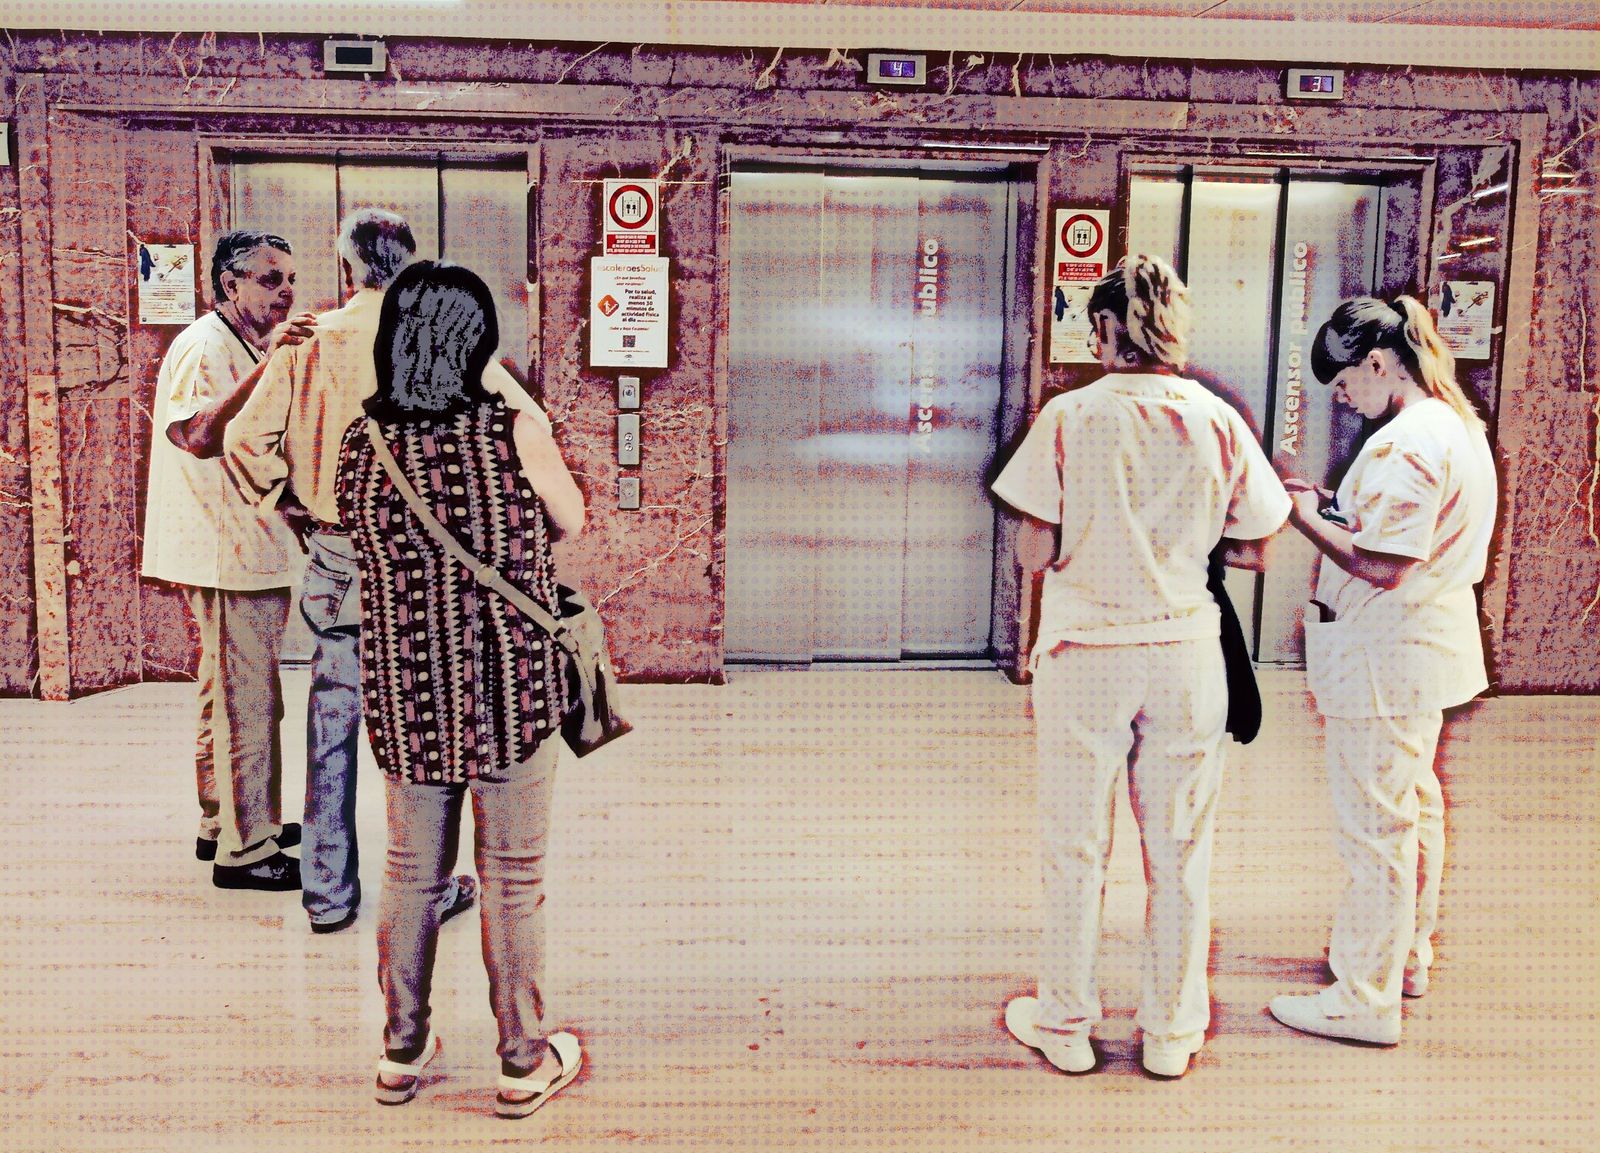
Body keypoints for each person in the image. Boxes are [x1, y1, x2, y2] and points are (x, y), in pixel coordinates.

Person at [991, 254, 1291, 1078]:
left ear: (1107, 328)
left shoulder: (1070, 416)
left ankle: (1065, 1025)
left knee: (1076, 848)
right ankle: (1168, 1033)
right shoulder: (1218, 417)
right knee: (1182, 850)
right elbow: (1257, 546)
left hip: (1087, 653)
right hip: (1186, 656)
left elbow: (1035, 548)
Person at [224, 208, 549, 933]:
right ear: (408, 263)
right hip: (430, 565)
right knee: (431, 728)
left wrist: (289, 503)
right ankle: (427, 888)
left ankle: (328, 895)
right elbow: (531, 425)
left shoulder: (306, 342)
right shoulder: (440, 336)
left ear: (346, 269)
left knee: (331, 723)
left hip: (338, 554)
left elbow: (245, 442)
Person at [336, 261, 586, 1117]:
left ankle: (401, 1051)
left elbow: (354, 538)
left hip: (408, 685)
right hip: (507, 683)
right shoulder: (510, 430)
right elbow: (572, 520)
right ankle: (522, 1059)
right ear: (478, 340)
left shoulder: (361, 442)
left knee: (412, 873)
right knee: (513, 877)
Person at [1268, 296, 1497, 1045]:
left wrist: (1300, 516)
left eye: (1345, 386)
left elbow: (1383, 564)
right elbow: (1387, 532)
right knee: (1410, 810)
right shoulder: (1451, 426)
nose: (1344, 401)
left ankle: (1365, 998)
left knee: (1375, 831)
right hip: (1412, 654)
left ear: (1377, 363)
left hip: (1386, 658)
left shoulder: (1409, 445)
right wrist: (1331, 504)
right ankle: (1403, 958)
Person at [141, 230, 310, 890]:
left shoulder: (242, 343)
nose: (285, 290)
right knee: (248, 701)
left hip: (239, 546)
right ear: (230, 283)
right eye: (271, 278)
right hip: (222, 551)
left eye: (290, 277)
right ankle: (249, 847)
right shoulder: (204, 346)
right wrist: (273, 368)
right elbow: (195, 433)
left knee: (230, 691)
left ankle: (226, 821)